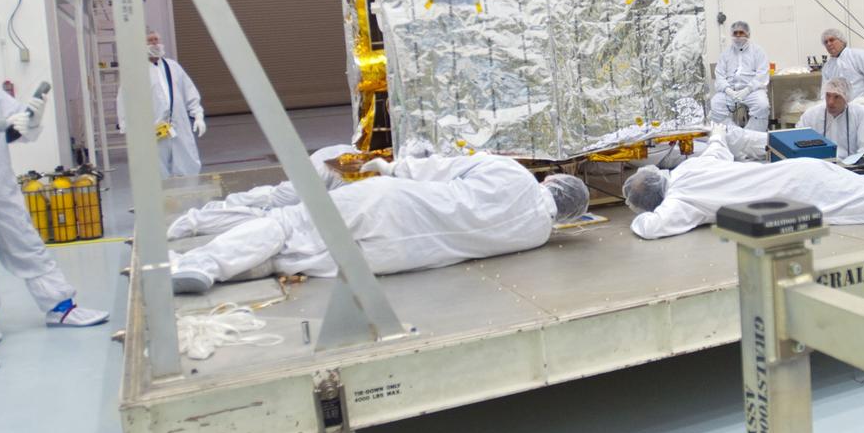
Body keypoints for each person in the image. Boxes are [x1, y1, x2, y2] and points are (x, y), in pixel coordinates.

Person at [168, 153, 590, 293]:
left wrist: (389, 166)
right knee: (300, 257)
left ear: (551, 180)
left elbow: (438, 168)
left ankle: (204, 265)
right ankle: (232, 270)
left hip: (391, 205)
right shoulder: (538, 234)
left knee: (291, 222)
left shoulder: (514, 174)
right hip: (400, 256)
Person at [0, 45, 108, 374]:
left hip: (1, 189)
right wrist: (0, 123)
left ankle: (61, 308)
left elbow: (22, 133)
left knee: (29, 246)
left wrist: (33, 115)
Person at [624, 123, 864, 240]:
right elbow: (719, 147)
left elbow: (651, 228)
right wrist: (719, 131)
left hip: (802, 193)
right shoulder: (688, 170)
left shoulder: (681, 204)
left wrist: (635, 219)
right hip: (801, 171)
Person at [166, 143, 357, 239]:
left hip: (334, 211)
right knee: (279, 205)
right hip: (322, 192)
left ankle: (211, 214)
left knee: (281, 213)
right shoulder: (340, 156)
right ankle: (209, 214)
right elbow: (289, 196)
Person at [117, 29, 206, 178]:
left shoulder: (173, 67)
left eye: (156, 40)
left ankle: (188, 191)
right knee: (155, 169)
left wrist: (198, 115)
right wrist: (127, 127)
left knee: (187, 163)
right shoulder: (135, 71)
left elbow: (189, 92)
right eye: (150, 40)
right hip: (151, 128)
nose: (154, 43)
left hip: (178, 125)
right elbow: (124, 100)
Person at [796, 77, 864, 164]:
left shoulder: (861, 114)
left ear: (846, 98)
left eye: (837, 97)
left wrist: (852, 166)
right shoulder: (812, 114)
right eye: (828, 95)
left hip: (852, 169)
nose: (830, 102)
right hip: (819, 167)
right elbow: (796, 143)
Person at [711, 21, 771, 131]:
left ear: (748, 34)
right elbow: (719, 75)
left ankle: (752, 136)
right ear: (732, 34)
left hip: (752, 91)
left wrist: (748, 90)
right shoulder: (725, 54)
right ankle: (734, 134)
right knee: (716, 104)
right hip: (730, 91)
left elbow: (762, 74)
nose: (738, 36)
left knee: (762, 105)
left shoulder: (758, 52)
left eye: (741, 32)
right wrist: (728, 90)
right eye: (735, 33)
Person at [819, 27, 864, 108]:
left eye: (832, 40)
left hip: (862, 106)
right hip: (839, 110)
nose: (829, 44)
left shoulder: (858, 55)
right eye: (825, 42)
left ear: (842, 41)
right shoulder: (827, 67)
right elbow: (825, 90)